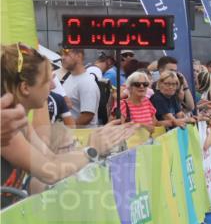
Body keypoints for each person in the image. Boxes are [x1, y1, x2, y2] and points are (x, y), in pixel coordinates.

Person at [1, 44, 133, 190]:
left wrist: (92, 146)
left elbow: (51, 159)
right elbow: (49, 171)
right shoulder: (6, 126)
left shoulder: (20, 122)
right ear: (25, 88)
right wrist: (92, 150)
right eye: (46, 81)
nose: (52, 86)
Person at [60, 47, 101, 126]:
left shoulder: (87, 83)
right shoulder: (70, 77)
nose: (62, 58)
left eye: (66, 54)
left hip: (81, 136)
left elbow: (87, 116)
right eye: (62, 55)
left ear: (79, 56)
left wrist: (69, 129)